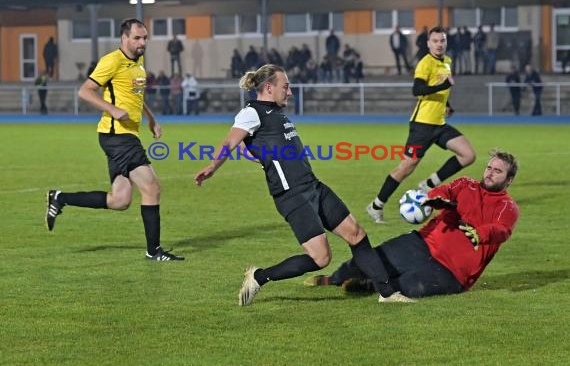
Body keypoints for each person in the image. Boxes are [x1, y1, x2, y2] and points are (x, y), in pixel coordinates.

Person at [194, 64, 415, 306]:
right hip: (291, 195)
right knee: (321, 258)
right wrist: (213, 167)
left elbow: (256, 146)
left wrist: (259, 154)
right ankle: (259, 276)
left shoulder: (275, 112)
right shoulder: (252, 112)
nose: (289, 92)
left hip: (313, 186)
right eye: (285, 87)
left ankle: (388, 293)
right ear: (269, 87)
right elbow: (231, 141)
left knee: (356, 234)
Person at [45, 18, 183, 262]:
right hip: (117, 136)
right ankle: (154, 251)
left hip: (124, 136)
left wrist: (151, 119)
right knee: (152, 187)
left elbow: (136, 96)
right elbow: (85, 91)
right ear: (124, 38)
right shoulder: (112, 61)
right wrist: (113, 110)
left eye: (145, 38)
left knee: (119, 200)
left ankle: (60, 198)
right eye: (137, 38)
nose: (142, 42)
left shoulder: (138, 62)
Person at [305, 150, 519, 299]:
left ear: (509, 180)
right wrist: (436, 198)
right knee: (375, 258)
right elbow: (444, 191)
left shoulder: (507, 207)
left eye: (497, 171)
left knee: (410, 285)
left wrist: (479, 234)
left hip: (452, 271)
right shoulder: (466, 184)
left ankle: (369, 286)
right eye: (489, 167)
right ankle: (333, 279)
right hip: (423, 242)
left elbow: (502, 230)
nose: (489, 173)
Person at [367, 26, 476, 224]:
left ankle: (428, 184)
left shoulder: (448, 62)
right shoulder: (425, 63)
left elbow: (439, 93)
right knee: (406, 167)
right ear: (428, 43)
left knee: (468, 155)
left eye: (442, 40)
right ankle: (376, 205)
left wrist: (447, 106)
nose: (439, 44)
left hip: (439, 124)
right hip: (422, 126)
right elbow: (417, 90)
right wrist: (443, 86)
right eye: (435, 41)